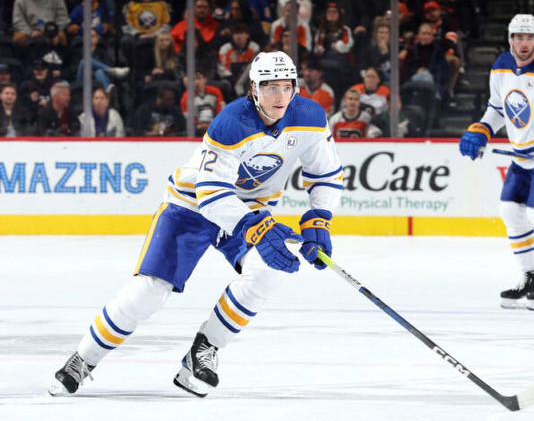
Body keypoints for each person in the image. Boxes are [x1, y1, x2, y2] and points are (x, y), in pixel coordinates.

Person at [49, 51, 344, 397]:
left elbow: (325, 172)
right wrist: (258, 227)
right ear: (254, 88)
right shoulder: (232, 121)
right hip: (191, 206)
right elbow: (211, 193)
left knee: (266, 270)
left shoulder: (310, 116)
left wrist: (319, 219)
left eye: (286, 87)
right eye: (269, 87)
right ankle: (83, 359)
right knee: (148, 292)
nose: (279, 96)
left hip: (251, 208)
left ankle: (204, 350)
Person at [458, 14, 534, 311]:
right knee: (510, 211)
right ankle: (532, 277)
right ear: (510, 39)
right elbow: (497, 108)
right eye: (519, 37)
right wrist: (482, 129)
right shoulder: (500, 65)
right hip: (521, 155)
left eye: (530, 38)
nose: (524, 43)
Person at [180, 69, 226, 136]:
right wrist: (199, 126)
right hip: (197, 128)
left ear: (205, 79)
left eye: (199, 78)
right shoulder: (186, 96)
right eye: (193, 79)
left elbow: (221, 110)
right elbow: (187, 116)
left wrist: (213, 124)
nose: (196, 82)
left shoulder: (215, 91)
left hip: (215, 126)